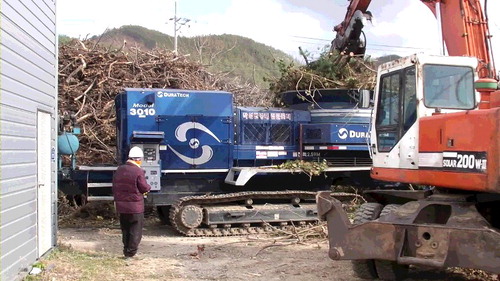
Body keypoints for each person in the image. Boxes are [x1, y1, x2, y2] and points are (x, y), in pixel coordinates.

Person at [112, 146, 151, 258]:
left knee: (125, 229)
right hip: (135, 208)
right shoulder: (138, 171)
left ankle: (126, 250)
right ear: (138, 159)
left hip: (121, 206)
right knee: (135, 230)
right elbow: (143, 187)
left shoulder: (119, 169)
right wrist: (148, 188)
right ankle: (131, 253)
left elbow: (114, 186)